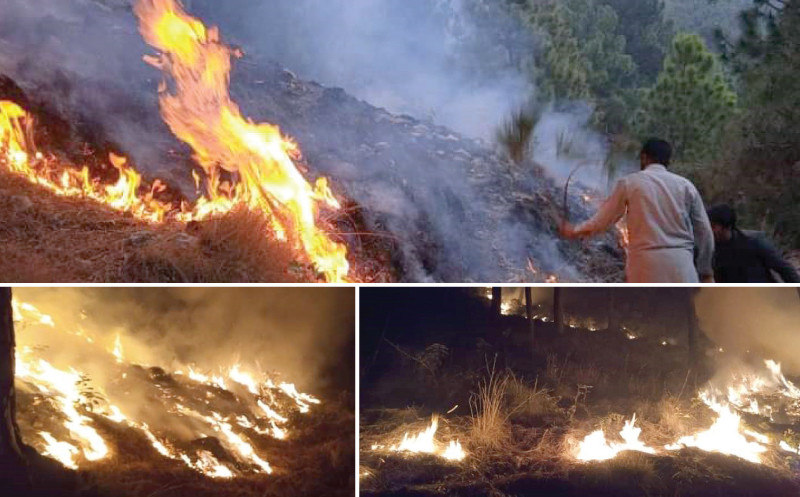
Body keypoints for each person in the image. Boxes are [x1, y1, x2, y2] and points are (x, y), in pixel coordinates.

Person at [560, 139, 714, 283]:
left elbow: (603, 221)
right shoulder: (686, 186)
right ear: (668, 161)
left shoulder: (629, 183)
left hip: (645, 265)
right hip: (681, 266)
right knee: (681, 311)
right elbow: (705, 231)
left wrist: (575, 230)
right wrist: (705, 269)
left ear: (644, 157)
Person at [707, 204, 800, 283]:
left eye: (713, 226)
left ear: (727, 226)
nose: (710, 230)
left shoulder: (753, 242)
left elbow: (783, 268)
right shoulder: (709, 249)